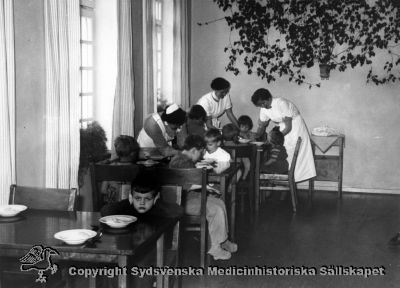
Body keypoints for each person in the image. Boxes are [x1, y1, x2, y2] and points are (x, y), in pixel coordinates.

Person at [169, 135, 238, 260]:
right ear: (194, 150)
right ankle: (215, 249)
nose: (200, 157)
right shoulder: (182, 162)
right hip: (181, 202)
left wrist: (205, 187)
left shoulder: (182, 158)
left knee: (219, 202)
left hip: (188, 197)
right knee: (215, 209)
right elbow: (184, 185)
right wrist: (205, 187)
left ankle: (222, 240)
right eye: (200, 153)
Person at [251, 88, 316, 182]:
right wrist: (256, 137)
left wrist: (273, 138)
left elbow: (288, 127)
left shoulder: (281, 103)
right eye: (260, 105)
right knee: (283, 155)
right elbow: (262, 126)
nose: (262, 106)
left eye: (263, 103)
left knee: (294, 154)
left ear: (269, 98)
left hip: (295, 127)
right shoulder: (263, 108)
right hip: (282, 129)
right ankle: (284, 183)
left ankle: (290, 182)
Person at [101, 135, 140, 203]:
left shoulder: (110, 167)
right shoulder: (137, 169)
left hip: (113, 206)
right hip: (130, 206)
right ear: (133, 153)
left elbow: (103, 190)